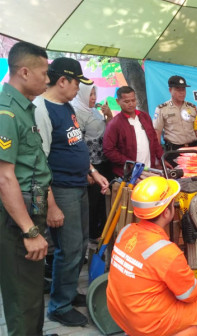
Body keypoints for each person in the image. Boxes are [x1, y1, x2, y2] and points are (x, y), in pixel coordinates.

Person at [34, 57, 109, 327]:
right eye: (77, 82)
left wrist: (94, 171)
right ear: (63, 80)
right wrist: (51, 205)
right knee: (68, 249)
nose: (80, 89)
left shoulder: (66, 107)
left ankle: (67, 293)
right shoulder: (41, 109)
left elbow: (75, 146)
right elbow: (38, 163)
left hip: (79, 184)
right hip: (61, 189)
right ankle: (59, 305)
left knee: (80, 245)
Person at [107, 176, 197, 336]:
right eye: (173, 203)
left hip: (119, 312)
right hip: (145, 323)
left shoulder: (125, 231)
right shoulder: (166, 252)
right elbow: (188, 294)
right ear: (166, 213)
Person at [0, 41, 53, 336]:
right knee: (22, 301)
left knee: (32, 297)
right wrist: (29, 231)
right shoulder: (6, 113)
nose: (47, 79)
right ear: (23, 72)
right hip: (16, 223)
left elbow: (31, 167)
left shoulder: (24, 109)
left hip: (30, 214)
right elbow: (5, 178)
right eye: (43, 73)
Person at [72, 83, 114, 240]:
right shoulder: (76, 113)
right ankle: (91, 234)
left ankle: (101, 231)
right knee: (92, 202)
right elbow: (78, 143)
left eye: (95, 94)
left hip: (103, 161)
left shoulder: (95, 111)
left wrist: (109, 115)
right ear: (81, 94)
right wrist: (87, 171)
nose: (94, 97)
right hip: (90, 164)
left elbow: (109, 130)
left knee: (103, 199)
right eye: (90, 94)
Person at [103, 86, 164, 177]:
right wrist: (130, 163)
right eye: (127, 101)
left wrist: (162, 159)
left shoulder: (145, 117)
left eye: (133, 100)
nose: (131, 104)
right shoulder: (114, 124)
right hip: (129, 174)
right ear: (118, 102)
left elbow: (154, 141)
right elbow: (109, 151)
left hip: (149, 169)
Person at [153, 75, 197, 151]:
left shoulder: (192, 108)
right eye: (178, 89)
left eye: (183, 89)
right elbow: (157, 132)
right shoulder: (162, 109)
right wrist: (158, 156)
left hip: (193, 149)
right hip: (174, 150)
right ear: (170, 90)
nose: (182, 93)